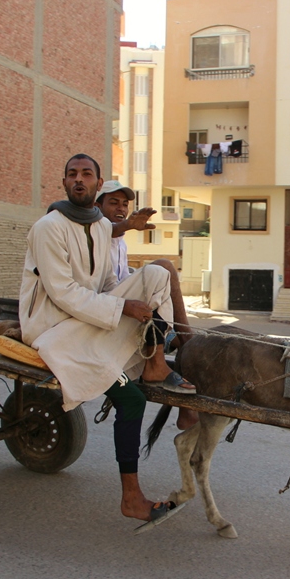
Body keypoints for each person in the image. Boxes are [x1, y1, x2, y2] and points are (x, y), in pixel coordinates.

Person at [19, 153, 194, 530]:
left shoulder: (98, 225)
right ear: (64, 183)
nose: (78, 179)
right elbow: (63, 293)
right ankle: (131, 497)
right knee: (130, 398)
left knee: (158, 273)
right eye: (71, 174)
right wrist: (122, 308)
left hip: (90, 321)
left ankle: (156, 363)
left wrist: (127, 229)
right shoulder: (48, 227)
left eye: (86, 174)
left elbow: (103, 259)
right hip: (55, 330)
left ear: (98, 184)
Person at [95, 180, 199, 429]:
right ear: (97, 206)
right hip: (103, 311)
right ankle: (182, 346)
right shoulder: (93, 231)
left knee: (176, 339)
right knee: (163, 266)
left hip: (122, 303)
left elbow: (118, 278)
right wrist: (127, 225)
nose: (120, 208)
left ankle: (186, 403)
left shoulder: (119, 241)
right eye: (113, 202)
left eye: (124, 204)